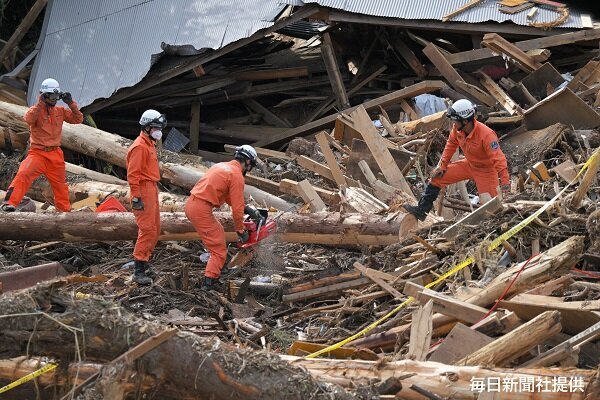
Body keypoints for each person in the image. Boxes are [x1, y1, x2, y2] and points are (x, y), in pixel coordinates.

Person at [404, 99, 510, 221]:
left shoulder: (486, 135)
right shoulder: (458, 129)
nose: (453, 123)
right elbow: (451, 144)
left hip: (486, 171)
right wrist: (442, 166)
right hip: (469, 164)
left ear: (465, 120)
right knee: (437, 178)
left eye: (455, 120)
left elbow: (499, 160)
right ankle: (421, 211)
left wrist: (505, 183)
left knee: (491, 208)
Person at [185, 145, 261, 290]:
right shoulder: (237, 175)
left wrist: (246, 208)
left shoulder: (222, 166)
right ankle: (209, 282)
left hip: (193, 204)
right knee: (218, 249)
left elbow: (226, 195)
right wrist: (240, 230)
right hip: (201, 209)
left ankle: (222, 268)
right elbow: (236, 209)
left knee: (218, 234)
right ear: (248, 162)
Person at [1, 78, 83, 212]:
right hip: (37, 153)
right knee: (23, 174)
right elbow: (28, 119)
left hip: (55, 154)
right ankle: (9, 203)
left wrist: (71, 103)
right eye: (51, 96)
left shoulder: (60, 111)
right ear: (44, 95)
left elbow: (78, 119)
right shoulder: (35, 111)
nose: (54, 99)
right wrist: (40, 104)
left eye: (57, 96)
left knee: (60, 186)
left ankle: (64, 212)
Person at [126, 109, 166, 285]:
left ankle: (145, 262)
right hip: (142, 190)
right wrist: (136, 197)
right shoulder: (139, 147)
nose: (159, 131)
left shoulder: (150, 144)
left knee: (155, 229)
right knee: (147, 230)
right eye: (156, 127)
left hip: (151, 189)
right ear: (147, 127)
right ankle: (138, 270)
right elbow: (133, 175)